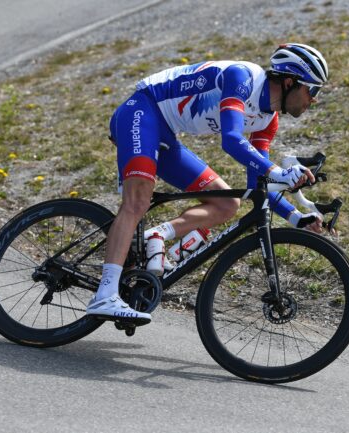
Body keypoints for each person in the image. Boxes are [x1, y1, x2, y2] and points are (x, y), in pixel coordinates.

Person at [86, 43, 329, 324]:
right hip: (142, 111)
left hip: (165, 133)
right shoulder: (243, 78)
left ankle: (157, 235)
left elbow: (258, 182)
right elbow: (232, 139)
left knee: (227, 203)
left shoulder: (267, 121)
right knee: (137, 201)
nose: (315, 100)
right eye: (313, 90)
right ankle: (104, 295)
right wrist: (277, 170)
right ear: (290, 82)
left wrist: (296, 218)